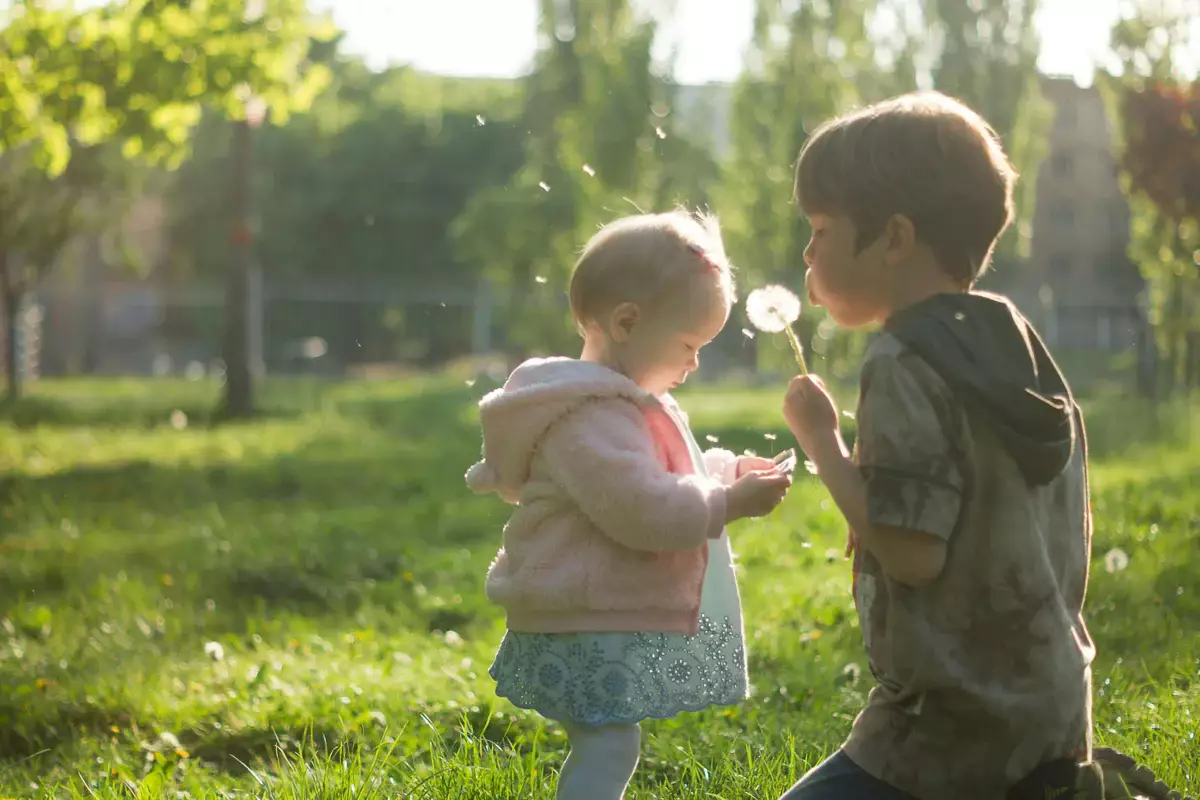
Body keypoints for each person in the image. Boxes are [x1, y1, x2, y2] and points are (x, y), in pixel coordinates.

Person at [777, 91, 1097, 800]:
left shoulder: (902, 360)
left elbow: (913, 554)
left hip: (949, 722)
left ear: (893, 238)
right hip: (1051, 705)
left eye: (822, 227)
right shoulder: (1016, 342)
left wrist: (822, 442)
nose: (807, 251)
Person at [465, 209, 794, 800]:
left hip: (588, 610)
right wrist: (727, 504)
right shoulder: (588, 417)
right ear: (626, 322)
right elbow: (642, 508)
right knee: (609, 744)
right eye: (690, 344)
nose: (695, 362)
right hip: (579, 614)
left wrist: (726, 472)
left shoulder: (614, 407)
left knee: (609, 741)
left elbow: (662, 475)